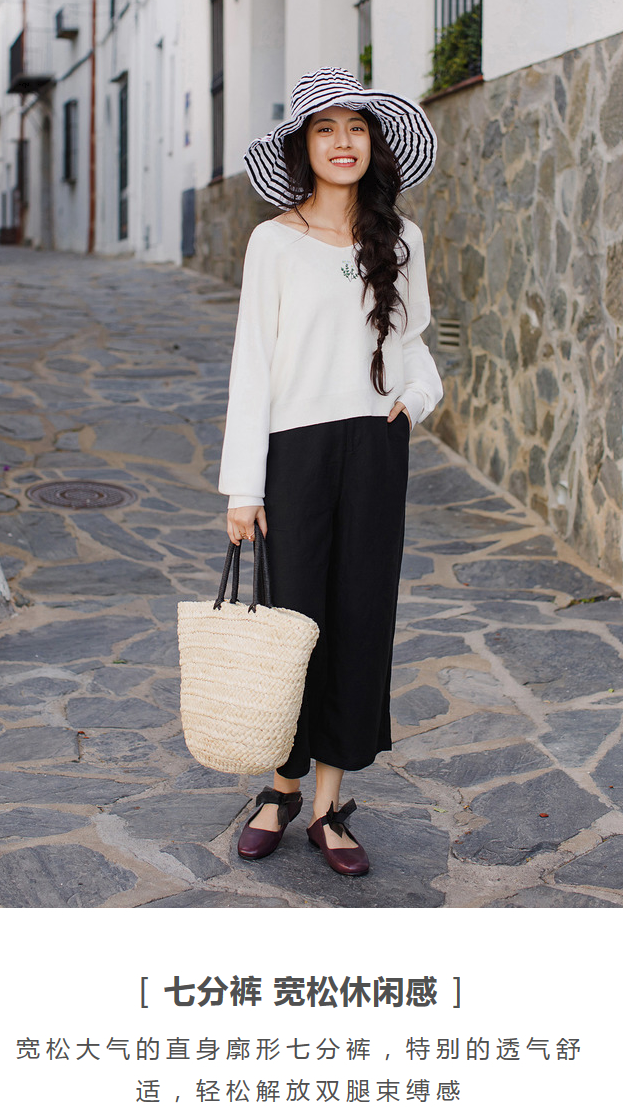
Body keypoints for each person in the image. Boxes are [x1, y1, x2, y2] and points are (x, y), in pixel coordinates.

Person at [218, 67, 444, 876]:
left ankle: (327, 805)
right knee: (293, 620)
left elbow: (414, 344)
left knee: (360, 618)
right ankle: (279, 788)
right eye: (325, 129)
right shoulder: (273, 241)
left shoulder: (401, 237)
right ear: (303, 147)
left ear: (373, 143)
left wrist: (414, 401)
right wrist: (244, 486)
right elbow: (253, 362)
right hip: (297, 452)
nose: (343, 142)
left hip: (376, 446)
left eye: (356, 128)